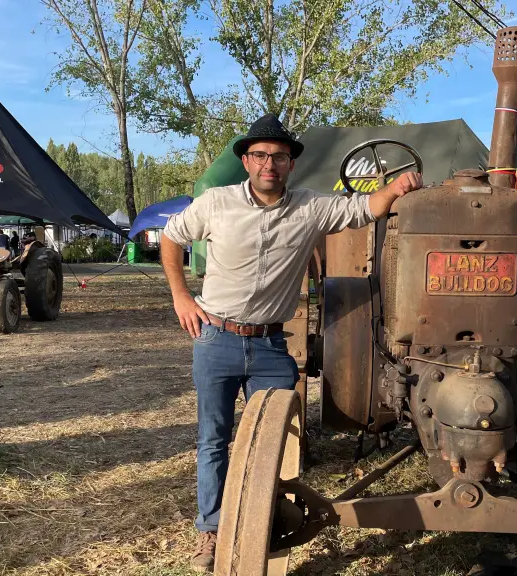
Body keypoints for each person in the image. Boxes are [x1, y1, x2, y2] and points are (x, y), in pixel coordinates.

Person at [160, 113, 423, 573]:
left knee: (280, 441)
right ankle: (211, 531)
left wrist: (398, 187)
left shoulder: (311, 208)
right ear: (246, 160)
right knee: (214, 438)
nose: (269, 164)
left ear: (291, 165)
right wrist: (182, 296)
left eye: (279, 157)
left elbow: (365, 208)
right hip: (216, 339)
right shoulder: (215, 203)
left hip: (270, 348)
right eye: (260, 155)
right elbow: (170, 236)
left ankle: (266, 519)